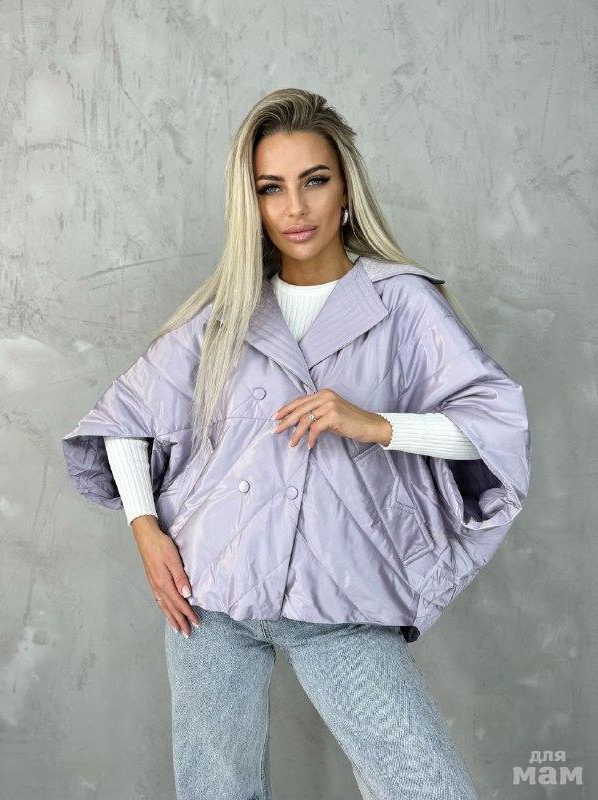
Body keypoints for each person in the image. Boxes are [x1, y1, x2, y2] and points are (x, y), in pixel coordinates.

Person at [62, 88, 531, 799]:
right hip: (209, 594)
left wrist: (375, 424)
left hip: (342, 595)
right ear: (250, 204)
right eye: (270, 188)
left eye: (314, 180)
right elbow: (127, 414)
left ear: (345, 190)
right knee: (216, 790)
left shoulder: (403, 302)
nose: (295, 208)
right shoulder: (228, 311)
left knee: (424, 786)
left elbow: (495, 427)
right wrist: (145, 527)